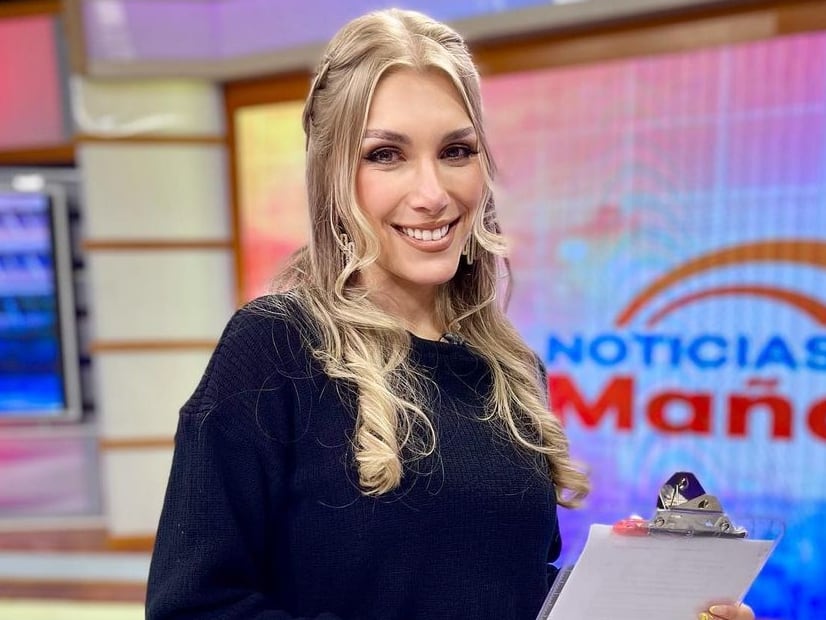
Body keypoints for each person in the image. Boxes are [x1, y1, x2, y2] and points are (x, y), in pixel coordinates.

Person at [145, 9, 756, 620]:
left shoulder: (511, 370)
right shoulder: (274, 347)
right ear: (332, 176)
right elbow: (193, 607)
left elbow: (502, 591)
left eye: (456, 151)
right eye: (386, 155)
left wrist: (639, 601)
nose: (433, 194)